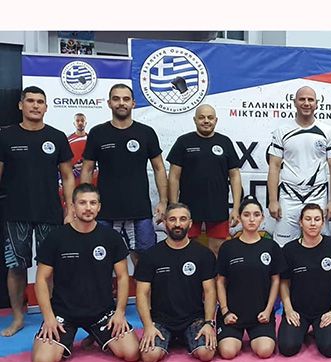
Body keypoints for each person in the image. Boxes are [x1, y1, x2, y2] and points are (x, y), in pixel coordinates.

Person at [31, 183, 139, 362]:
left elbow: (122, 277)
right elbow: (41, 279)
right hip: (64, 313)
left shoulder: (111, 238)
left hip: (102, 312)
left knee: (132, 353)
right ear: (72, 206)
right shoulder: (56, 237)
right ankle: (67, 338)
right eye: (82, 203)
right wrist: (48, 317)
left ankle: (96, 334)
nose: (88, 208)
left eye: (92, 203)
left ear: (99, 207)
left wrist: (120, 313)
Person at [0, 86, 75, 337]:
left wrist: (70, 209)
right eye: (30, 101)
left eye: (40, 102)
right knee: (16, 267)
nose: (35, 105)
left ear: (46, 107)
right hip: (15, 212)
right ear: (21, 105)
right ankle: (18, 317)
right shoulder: (6, 136)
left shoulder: (56, 137)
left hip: (50, 212)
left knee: (51, 266)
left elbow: (68, 176)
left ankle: (50, 316)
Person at [80, 83, 168, 266]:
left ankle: (145, 288)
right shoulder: (98, 133)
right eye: (116, 99)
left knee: (145, 262)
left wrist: (163, 201)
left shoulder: (146, 132)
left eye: (126, 99)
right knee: (101, 262)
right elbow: (87, 169)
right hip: (105, 211)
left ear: (133, 103)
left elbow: (159, 168)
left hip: (139, 210)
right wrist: (83, 203)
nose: (121, 103)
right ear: (109, 103)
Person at [135, 203, 217, 362]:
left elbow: (209, 292)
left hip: (193, 319)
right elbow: (141, 294)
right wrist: (148, 326)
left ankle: (186, 338)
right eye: (172, 219)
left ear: (190, 223)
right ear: (165, 222)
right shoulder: (150, 256)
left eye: (183, 219)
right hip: (161, 320)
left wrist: (208, 323)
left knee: (206, 353)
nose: (178, 224)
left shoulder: (204, 254)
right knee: (149, 356)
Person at [267, 86, 331, 246]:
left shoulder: (328, 131)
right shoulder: (281, 131)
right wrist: (273, 200)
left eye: (310, 100)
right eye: (302, 99)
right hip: (289, 195)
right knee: (282, 245)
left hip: (317, 195)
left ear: (317, 104)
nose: (306, 103)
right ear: (294, 102)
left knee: (320, 245)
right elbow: (274, 166)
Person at [167, 104, 242, 256]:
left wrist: (236, 208)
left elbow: (234, 175)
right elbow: (174, 176)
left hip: (217, 206)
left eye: (210, 117)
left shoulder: (225, 142)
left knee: (217, 250)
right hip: (188, 207)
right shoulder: (183, 142)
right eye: (201, 117)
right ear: (195, 120)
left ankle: (213, 273)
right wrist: (174, 206)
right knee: (187, 249)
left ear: (216, 120)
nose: (206, 121)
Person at [216, 195, 283, 359]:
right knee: (227, 352)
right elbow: (220, 281)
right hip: (232, 315)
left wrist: (268, 310)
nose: (252, 219)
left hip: (260, 315)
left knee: (265, 351)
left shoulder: (271, 246)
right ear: (239, 218)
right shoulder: (228, 247)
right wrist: (225, 311)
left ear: (262, 218)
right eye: (246, 215)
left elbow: (276, 280)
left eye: (256, 215)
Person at [278, 203, 331, 358]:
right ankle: (303, 331)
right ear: (300, 222)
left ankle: (318, 331)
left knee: (330, 348)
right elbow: (284, 283)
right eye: (308, 219)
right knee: (287, 347)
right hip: (298, 311)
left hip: (326, 311)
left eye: (317, 219)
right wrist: (289, 310)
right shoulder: (289, 250)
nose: (312, 223)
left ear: (322, 223)